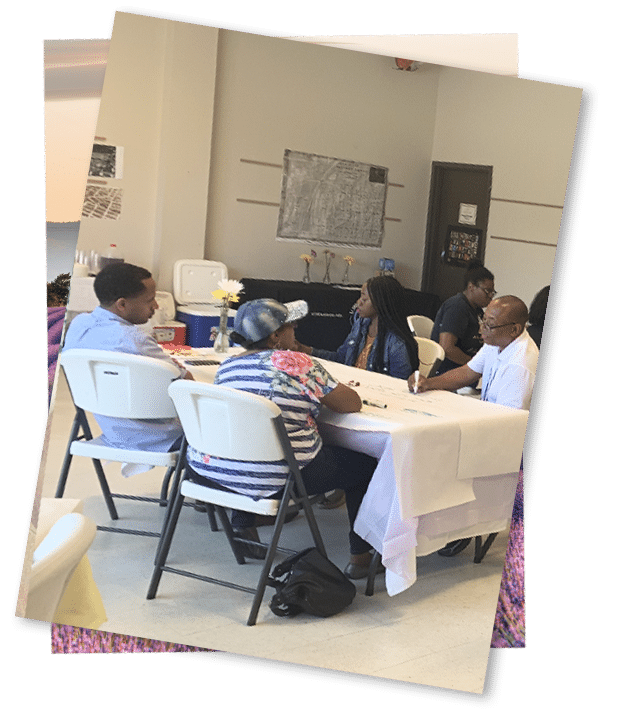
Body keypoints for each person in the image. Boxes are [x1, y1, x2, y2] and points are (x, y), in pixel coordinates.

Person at [184, 298, 380, 579]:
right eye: (291, 326)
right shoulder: (298, 363)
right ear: (276, 336)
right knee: (365, 465)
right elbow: (351, 404)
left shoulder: (227, 367)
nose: (296, 329)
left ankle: (243, 522)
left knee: (250, 445)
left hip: (213, 473)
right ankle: (361, 557)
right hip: (279, 478)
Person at [408, 295, 539, 557]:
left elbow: (507, 428)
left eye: (489, 325)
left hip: (507, 442)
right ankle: (428, 525)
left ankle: (455, 529)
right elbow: (467, 373)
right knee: (429, 446)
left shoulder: (521, 365)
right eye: (483, 321)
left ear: (514, 329)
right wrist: (428, 382)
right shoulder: (497, 341)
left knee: (441, 454)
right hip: (489, 425)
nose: (482, 329)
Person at [63, 262, 194, 470]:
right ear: (122, 304)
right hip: (162, 436)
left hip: (111, 429)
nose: (156, 307)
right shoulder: (135, 339)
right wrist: (179, 368)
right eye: (150, 300)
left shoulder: (77, 326)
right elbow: (187, 385)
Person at [294, 275, 420, 380]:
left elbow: (400, 385)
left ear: (381, 303)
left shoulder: (397, 344)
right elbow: (341, 358)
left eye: (364, 298)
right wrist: (305, 349)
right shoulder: (361, 325)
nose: (358, 302)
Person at [430, 260, 495, 374]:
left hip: (465, 366)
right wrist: (476, 366)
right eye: (487, 291)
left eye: (492, 292)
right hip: (450, 370)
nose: (490, 296)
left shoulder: (477, 309)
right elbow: (447, 348)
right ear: (471, 287)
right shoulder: (457, 307)